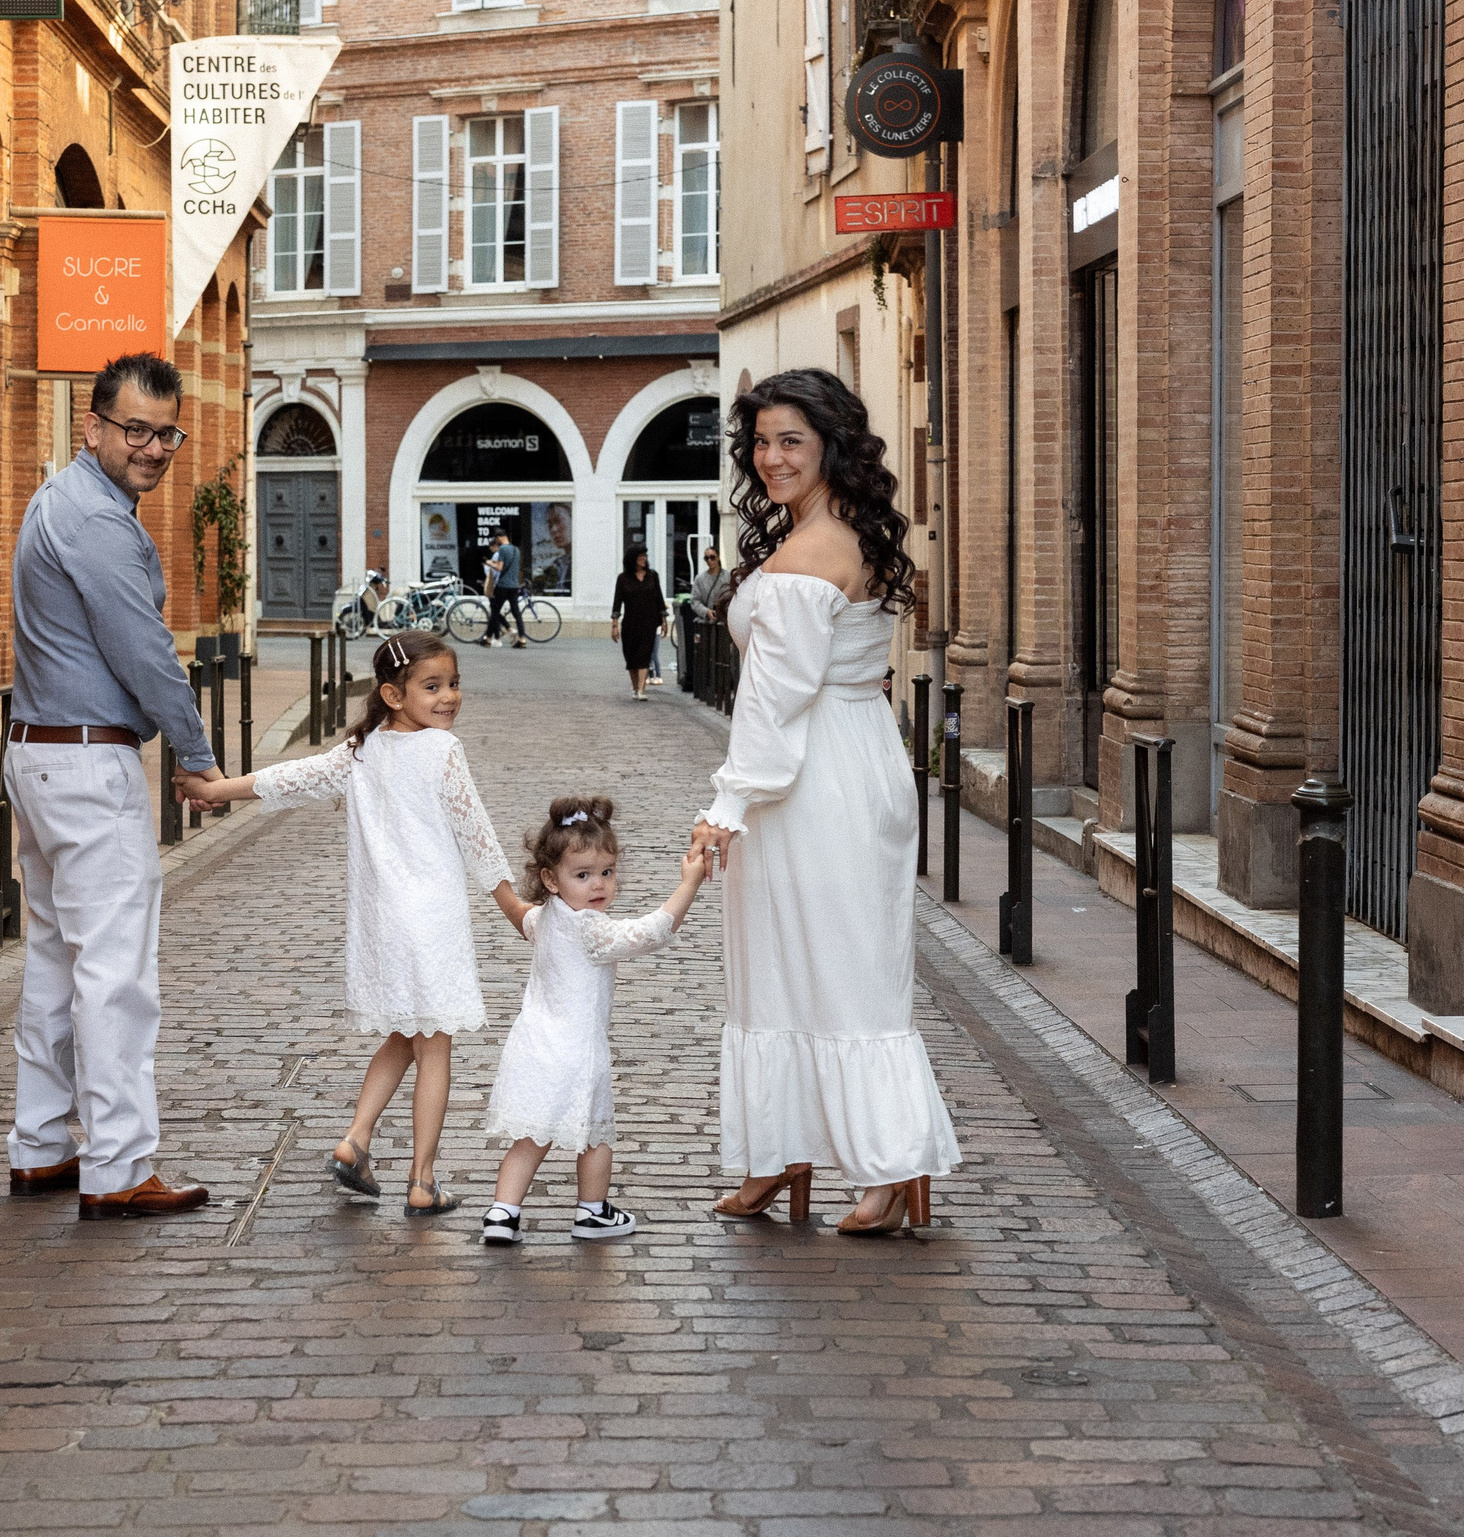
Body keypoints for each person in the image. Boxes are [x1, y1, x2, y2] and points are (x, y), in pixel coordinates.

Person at [689, 367, 962, 1237]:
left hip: (809, 782)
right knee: (812, 967)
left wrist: (726, 806)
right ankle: (788, 1153)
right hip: (856, 758)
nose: (770, 458)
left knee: (832, 975)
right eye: (761, 441)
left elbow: (775, 704)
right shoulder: (847, 531)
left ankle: (883, 1166)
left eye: (790, 441)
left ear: (831, 444)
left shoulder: (811, 553)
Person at [177, 630, 522, 1217]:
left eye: (454, 685)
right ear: (392, 694)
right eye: (432, 686)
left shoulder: (361, 753)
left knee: (404, 1035)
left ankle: (355, 1140)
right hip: (430, 922)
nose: (448, 698)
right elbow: (478, 836)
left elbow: (289, 780)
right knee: (434, 1044)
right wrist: (517, 909)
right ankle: (423, 1179)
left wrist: (218, 792)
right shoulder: (443, 752)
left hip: (381, 926)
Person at [4, 351, 219, 1222]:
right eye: (136, 429)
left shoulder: (57, 499)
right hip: (87, 766)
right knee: (115, 975)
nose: (155, 447)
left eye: (166, 432)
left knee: (56, 963)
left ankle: (42, 1147)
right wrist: (199, 760)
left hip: (41, 753)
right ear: (92, 426)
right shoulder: (96, 519)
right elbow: (146, 655)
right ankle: (119, 1165)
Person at [478, 798, 710, 1247]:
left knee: (529, 1137)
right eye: (582, 875)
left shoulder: (544, 919)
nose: (598, 885)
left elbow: (518, 914)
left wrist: (495, 880)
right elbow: (654, 930)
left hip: (534, 1047)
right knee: (596, 1133)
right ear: (551, 878)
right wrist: (690, 882)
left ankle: (502, 1213)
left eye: (606, 872)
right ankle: (592, 1211)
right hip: (578, 1053)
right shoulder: (592, 929)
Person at [610, 548, 668, 700]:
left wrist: (664, 620)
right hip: (630, 623)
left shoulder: (652, 576)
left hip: (649, 622)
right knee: (631, 656)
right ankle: (635, 687)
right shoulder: (623, 579)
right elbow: (617, 602)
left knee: (644, 654)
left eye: (644, 556)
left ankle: (642, 689)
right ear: (632, 559)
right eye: (640, 556)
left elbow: (659, 598)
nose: (643, 559)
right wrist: (614, 625)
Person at [484, 522, 526, 648]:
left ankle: (488, 639)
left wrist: (489, 563)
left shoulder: (502, 549)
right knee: (516, 613)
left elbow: (500, 567)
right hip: (514, 585)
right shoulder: (516, 549)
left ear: (498, 538)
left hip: (503, 585)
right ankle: (522, 639)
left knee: (495, 612)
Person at [688, 546, 729, 620]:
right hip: (706, 622)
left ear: (718, 557)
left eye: (712, 557)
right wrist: (706, 611)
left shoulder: (728, 576)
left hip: (724, 620)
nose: (709, 560)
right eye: (706, 558)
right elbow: (695, 601)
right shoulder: (700, 579)